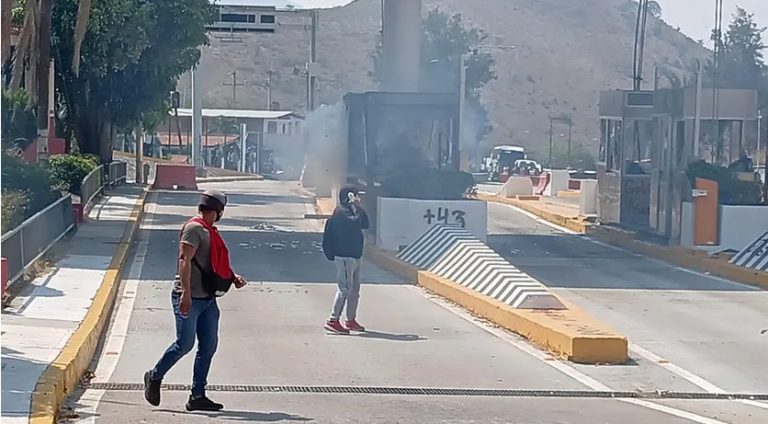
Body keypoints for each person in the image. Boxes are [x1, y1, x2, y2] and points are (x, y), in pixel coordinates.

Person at [144, 189, 246, 411]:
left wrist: (232, 276)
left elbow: (213, 263)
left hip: (207, 299)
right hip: (189, 297)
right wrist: (185, 294)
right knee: (185, 344)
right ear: (218, 210)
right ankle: (154, 376)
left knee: (208, 346)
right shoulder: (194, 229)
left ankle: (197, 395)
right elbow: (184, 259)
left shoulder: (210, 231)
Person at [322, 184, 369, 335]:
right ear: (349, 196)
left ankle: (351, 320)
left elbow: (365, 224)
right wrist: (356, 208)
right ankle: (333, 320)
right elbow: (353, 223)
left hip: (355, 255)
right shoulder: (341, 212)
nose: (358, 197)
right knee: (345, 289)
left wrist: (359, 208)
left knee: (354, 290)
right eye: (355, 194)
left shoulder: (354, 211)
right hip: (345, 256)